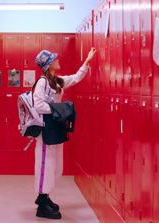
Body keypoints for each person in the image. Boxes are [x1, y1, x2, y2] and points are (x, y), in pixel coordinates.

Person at [33, 47, 96, 219]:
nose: (57, 59)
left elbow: (75, 78)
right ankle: (42, 205)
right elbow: (37, 105)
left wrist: (87, 62)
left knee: (56, 166)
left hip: (56, 127)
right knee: (46, 165)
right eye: (54, 59)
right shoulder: (42, 82)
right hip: (47, 129)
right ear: (48, 64)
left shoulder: (55, 80)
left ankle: (44, 197)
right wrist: (57, 109)